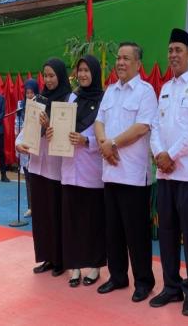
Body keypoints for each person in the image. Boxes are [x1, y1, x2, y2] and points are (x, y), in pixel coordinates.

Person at [149, 29, 188, 316]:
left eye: (179, 50)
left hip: (187, 176)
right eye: (170, 50)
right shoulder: (165, 89)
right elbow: (156, 127)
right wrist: (160, 156)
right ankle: (171, 287)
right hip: (165, 176)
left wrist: (169, 156)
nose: (173, 55)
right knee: (168, 233)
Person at [94, 42, 156, 302]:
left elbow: (142, 127)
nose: (120, 62)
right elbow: (99, 122)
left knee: (137, 232)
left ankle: (143, 281)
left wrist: (112, 144)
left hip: (133, 175)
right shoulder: (110, 91)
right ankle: (118, 276)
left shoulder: (145, 91)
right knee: (114, 230)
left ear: (138, 64)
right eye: (118, 58)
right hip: (110, 172)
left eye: (126, 58)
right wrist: (103, 145)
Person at [51, 55, 107, 288]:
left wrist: (87, 140)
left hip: (91, 171)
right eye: (80, 70)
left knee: (91, 220)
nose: (83, 74)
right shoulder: (71, 97)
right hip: (69, 169)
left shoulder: (104, 99)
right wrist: (52, 133)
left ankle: (94, 266)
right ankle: (74, 266)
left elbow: (106, 132)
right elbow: (61, 125)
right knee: (71, 219)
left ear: (94, 72)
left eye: (87, 70)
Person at [16, 58, 71, 277]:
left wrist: (50, 126)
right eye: (45, 76)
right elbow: (27, 129)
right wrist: (19, 144)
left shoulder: (67, 99)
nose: (48, 80)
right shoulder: (37, 100)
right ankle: (47, 257)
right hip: (37, 166)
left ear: (60, 76)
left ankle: (61, 259)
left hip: (57, 168)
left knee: (56, 214)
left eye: (52, 75)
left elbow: (66, 136)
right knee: (41, 216)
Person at [15, 79, 39, 217]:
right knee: (28, 178)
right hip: (24, 144)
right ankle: (30, 207)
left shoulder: (40, 105)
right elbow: (17, 124)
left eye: (32, 92)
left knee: (37, 179)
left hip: (36, 146)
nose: (29, 95)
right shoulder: (21, 106)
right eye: (27, 92)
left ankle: (38, 205)